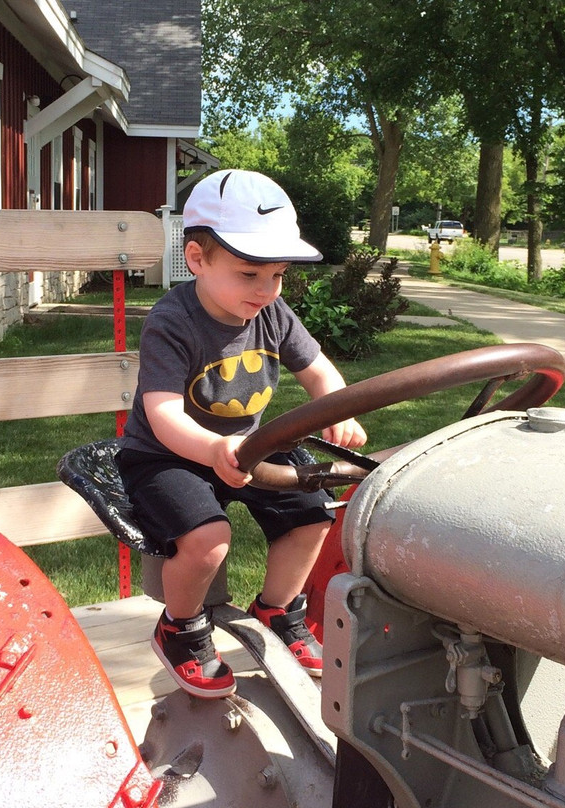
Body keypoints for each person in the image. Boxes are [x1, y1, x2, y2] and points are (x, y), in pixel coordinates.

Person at [117, 169, 366, 698]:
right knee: (209, 541)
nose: (266, 290)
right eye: (250, 273)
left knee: (311, 516)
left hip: (248, 448)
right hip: (168, 454)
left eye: (276, 275)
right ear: (197, 259)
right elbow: (161, 412)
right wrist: (211, 449)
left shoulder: (272, 312)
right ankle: (180, 627)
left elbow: (319, 370)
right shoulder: (172, 320)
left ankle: (276, 609)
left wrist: (337, 408)